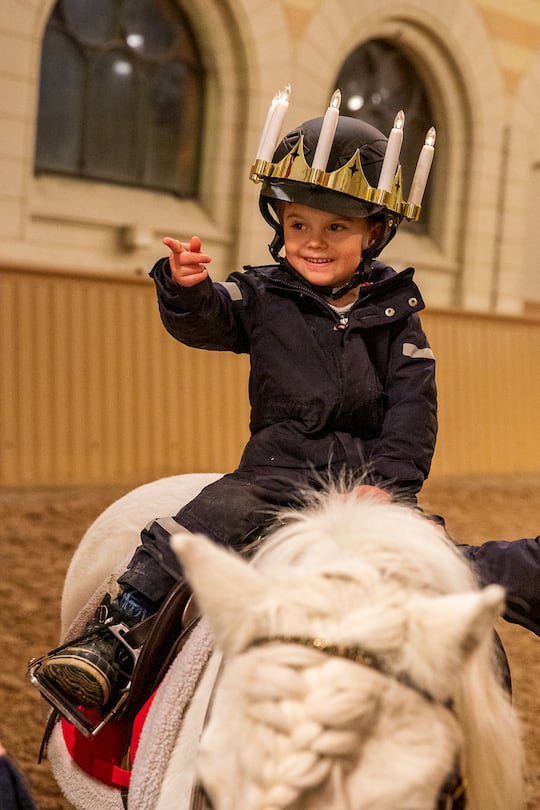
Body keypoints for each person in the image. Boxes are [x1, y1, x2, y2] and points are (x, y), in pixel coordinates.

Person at [35, 113, 438, 719]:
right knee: (195, 527)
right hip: (274, 471)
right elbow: (210, 320)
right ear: (279, 223)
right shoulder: (262, 294)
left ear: (374, 234)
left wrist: (389, 485)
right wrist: (186, 290)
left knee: (439, 563)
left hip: (367, 482)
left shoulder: (398, 315)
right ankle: (114, 640)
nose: (313, 241)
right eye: (298, 223)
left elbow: (414, 408)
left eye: (335, 227)